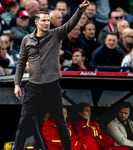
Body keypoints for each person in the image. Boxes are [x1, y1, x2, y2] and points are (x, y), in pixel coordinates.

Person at [13, 1, 90, 150]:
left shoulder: (56, 34)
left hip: (52, 86)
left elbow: (71, 23)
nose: (47, 23)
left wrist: (80, 9)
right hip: (33, 86)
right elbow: (21, 62)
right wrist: (17, 84)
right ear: (36, 22)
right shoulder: (26, 39)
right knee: (24, 121)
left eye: (48, 20)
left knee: (61, 122)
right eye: (43, 20)